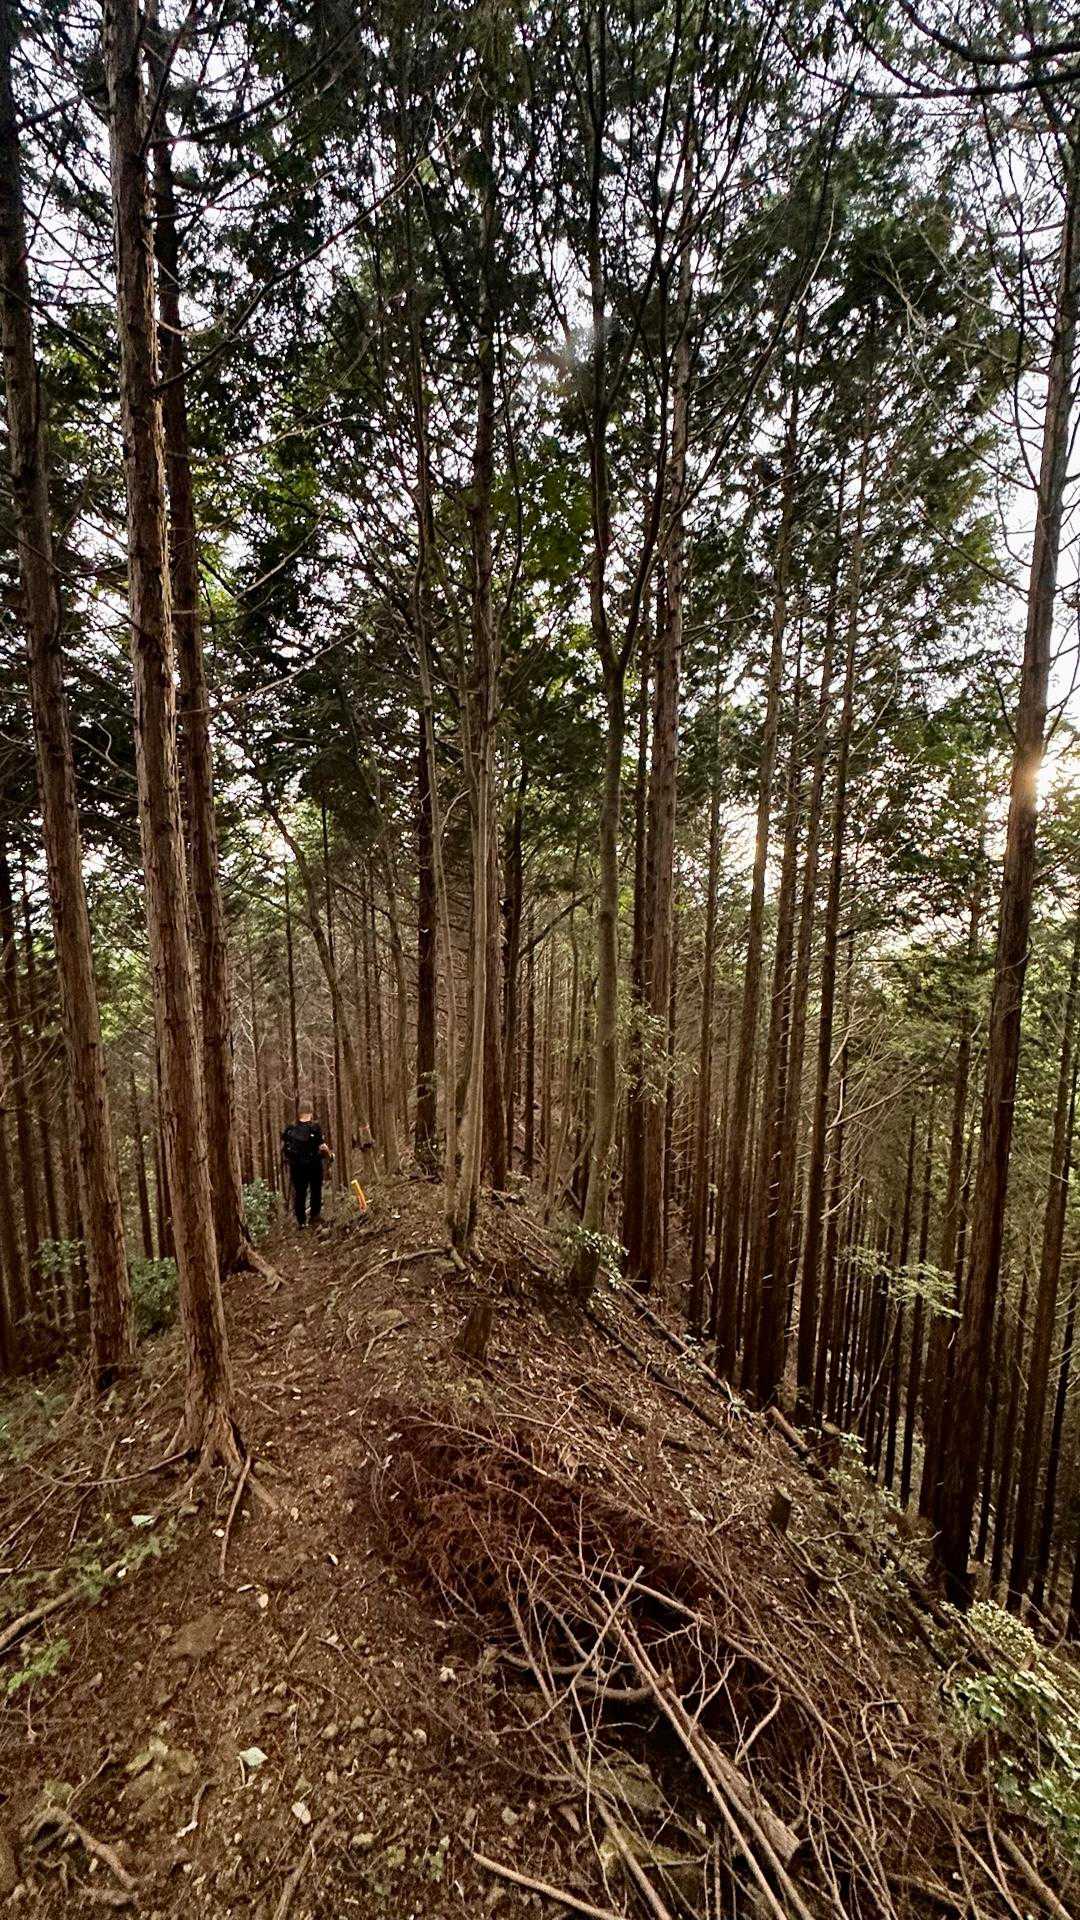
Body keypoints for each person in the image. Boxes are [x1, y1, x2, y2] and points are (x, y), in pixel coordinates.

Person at [282, 1107, 333, 1229]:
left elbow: (284, 1147)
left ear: (299, 1114)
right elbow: (322, 1146)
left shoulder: (290, 1129)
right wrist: (330, 1155)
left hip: (296, 1166)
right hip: (314, 1164)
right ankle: (314, 1217)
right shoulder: (315, 1128)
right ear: (310, 1113)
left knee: (300, 1193)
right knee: (316, 1190)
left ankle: (301, 1221)